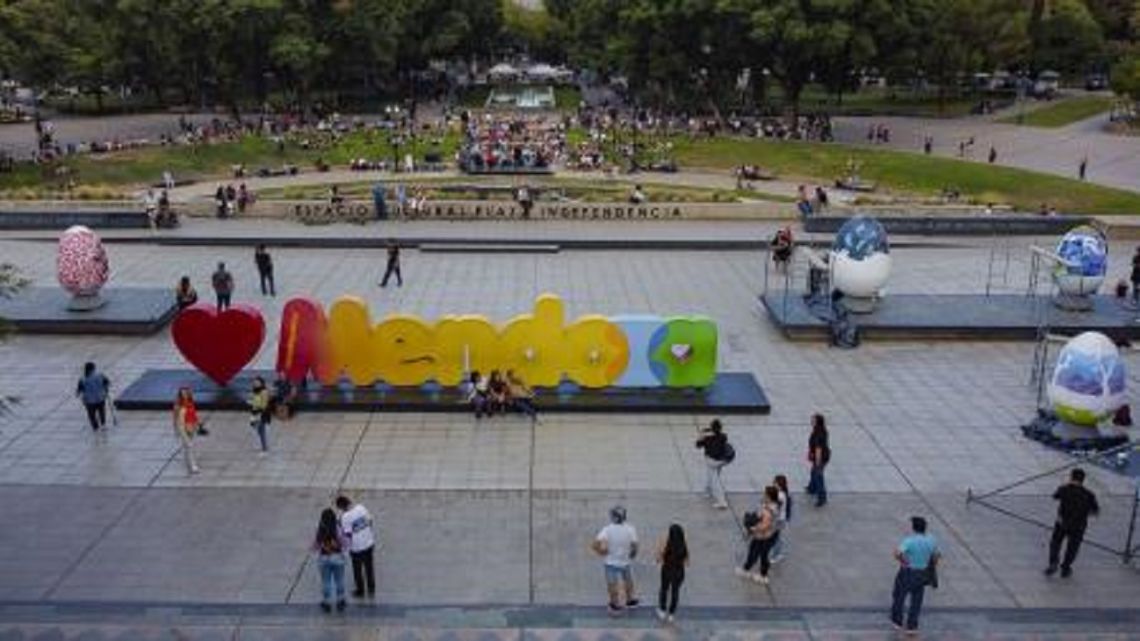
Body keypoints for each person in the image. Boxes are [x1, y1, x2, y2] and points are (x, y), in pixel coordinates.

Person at [1045, 468, 1099, 578]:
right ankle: (1065, 568)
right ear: (1083, 479)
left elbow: (1055, 496)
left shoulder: (1064, 489)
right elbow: (1095, 511)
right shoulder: (1089, 494)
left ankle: (1053, 562)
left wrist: (1066, 486)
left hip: (1062, 522)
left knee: (1055, 543)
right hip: (1079, 525)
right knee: (1073, 547)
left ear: (1071, 477)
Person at [891, 516, 940, 633]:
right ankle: (912, 625)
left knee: (899, 596)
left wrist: (903, 561)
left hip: (907, 572)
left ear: (913, 528)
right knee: (917, 599)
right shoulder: (931, 540)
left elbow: (897, 553)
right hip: (922, 573)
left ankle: (897, 621)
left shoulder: (909, 540)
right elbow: (936, 555)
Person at [592, 505, 639, 615]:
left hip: (610, 561)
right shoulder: (630, 529)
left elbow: (595, 544)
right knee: (628, 581)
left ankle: (615, 604)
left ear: (613, 516)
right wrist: (632, 554)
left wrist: (601, 552)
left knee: (612, 584)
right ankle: (630, 600)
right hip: (625, 561)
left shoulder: (607, 529)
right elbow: (635, 546)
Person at [735, 485, 780, 585]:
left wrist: (753, 528)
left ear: (769, 496)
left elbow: (765, 525)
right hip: (768, 535)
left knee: (757, 554)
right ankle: (753, 571)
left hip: (762, 536)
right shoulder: (774, 506)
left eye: (765, 494)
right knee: (759, 554)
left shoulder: (768, 510)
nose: (763, 495)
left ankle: (760, 575)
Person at [336, 495, 377, 598]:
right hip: (369, 542)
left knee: (357, 570)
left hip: (357, 548)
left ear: (341, 507)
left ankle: (360, 590)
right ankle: (371, 588)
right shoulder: (361, 507)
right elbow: (370, 521)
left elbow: (348, 534)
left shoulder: (345, 517)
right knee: (369, 567)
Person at [313, 508, 349, 613]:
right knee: (339, 580)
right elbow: (345, 542)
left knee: (326, 582)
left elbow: (315, 546)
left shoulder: (321, 529)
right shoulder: (337, 527)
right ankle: (340, 600)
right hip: (337, 557)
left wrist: (322, 546)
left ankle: (327, 602)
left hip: (324, 558)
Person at [655, 523, 688, 623]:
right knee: (675, 591)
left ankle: (662, 610)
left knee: (664, 589)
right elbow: (687, 561)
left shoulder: (665, 543)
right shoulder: (683, 545)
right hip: (679, 571)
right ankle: (671, 614)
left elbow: (658, 559)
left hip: (667, 570)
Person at [695, 419, 731, 509]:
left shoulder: (708, 438)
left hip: (712, 461)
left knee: (715, 480)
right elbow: (718, 436)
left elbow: (698, 445)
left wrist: (701, 436)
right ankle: (708, 491)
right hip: (722, 460)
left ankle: (722, 502)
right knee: (712, 475)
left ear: (712, 428)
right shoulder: (723, 436)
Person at [76, 362, 110, 436]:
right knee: (101, 411)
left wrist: (78, 394)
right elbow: (107, 382)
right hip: (100, 398)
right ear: (93, 369)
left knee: (91, 415)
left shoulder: (82, 379)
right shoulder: (100, 375)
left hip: (89, 400)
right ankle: (103, 425)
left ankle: (95, 427)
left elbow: (79, 389)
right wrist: (106, 389)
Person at [172, 387, 201, 475]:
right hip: (182, 427)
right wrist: (176, 430)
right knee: (189, 445)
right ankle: (193, 466)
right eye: (182, 393)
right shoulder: (177, 405)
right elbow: (174, 418)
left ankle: (187, 460)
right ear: (180, 395)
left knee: (187, 446)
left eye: (186, 393)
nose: (184, 395)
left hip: (191, 426)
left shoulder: (191, 403)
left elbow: (194, 414)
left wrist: (198, 424)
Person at [805, 413, 830, 507]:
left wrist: (818, 462)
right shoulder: (819, 430)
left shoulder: (819, 433)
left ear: (817, 422)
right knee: (813, 472)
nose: (811, 421)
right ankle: (812, 488)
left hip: (820, 457)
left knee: (818, 476)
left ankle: (822, 498)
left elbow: (818, 449)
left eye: (813, 420)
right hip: (820, 455)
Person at [770, 474, 792, 563]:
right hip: (779, 519)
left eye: (774, 482)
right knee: (777, 537)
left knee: (776, 538)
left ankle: (777, 555)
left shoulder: (781, 495)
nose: (773, 483)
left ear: (779, 484)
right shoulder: (781, 493)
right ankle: (778, 553)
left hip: (779, 520)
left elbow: (776, 508)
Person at [248, 376, 271, 454]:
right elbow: (253, 400)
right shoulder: (254, 391)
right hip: (254, 412)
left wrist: (258, 409)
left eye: (257, 382)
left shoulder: (264, 391)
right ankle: (262, 445)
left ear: (261, 383)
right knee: (256, 429)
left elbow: (264, 404)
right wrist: (251, 401)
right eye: (254, 382)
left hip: (262, 413)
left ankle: (264, 448)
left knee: (261, 430)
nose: (255, 383)